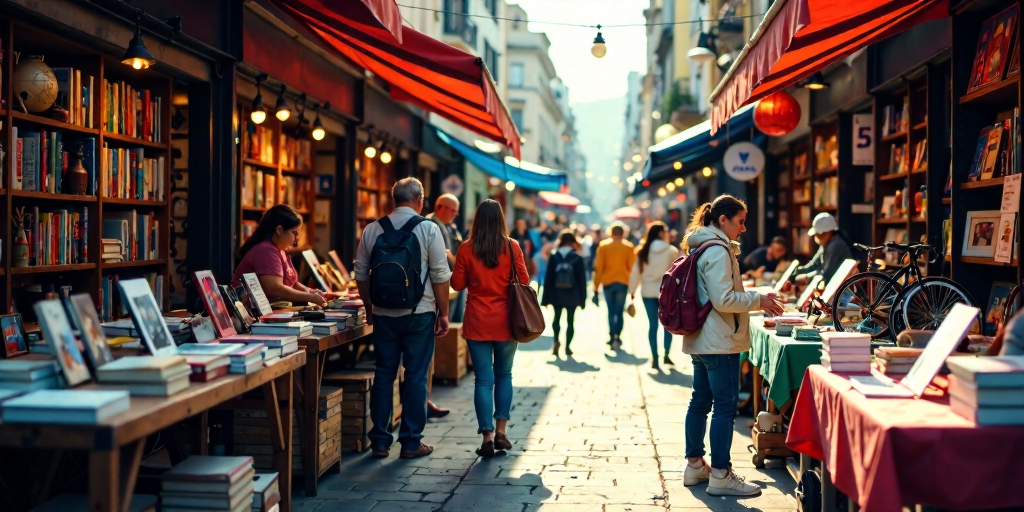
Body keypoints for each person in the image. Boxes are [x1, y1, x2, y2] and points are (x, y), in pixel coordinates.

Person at [681, 195, 783, 496]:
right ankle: (721, 473)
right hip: (719, 340)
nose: (743, 228)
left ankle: (695, 465)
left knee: (700, 401)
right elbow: (723, 300)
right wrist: (759, 300)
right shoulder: (718, 250)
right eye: (740, 221)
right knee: (724, 406)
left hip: (703, 337)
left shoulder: (702, 245)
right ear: (722, 220)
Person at [354, 178, 451, 460]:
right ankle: (410, 442)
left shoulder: (372, 229)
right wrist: (443, 313)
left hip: (384, 315)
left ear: (393, 199)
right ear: (420, 198)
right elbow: (440, 275)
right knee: (416, 377)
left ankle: (380, 442)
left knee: (384, 374)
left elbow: (361, 274)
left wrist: (370, 306)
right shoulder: (428, 229)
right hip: (420, 313)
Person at [450, 199, 529, 458]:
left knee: (483, 379)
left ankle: (486, 436)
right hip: (507, 321)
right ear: (501, 219)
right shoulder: (512, 245)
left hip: (477, 321)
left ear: (477, 220)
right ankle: (502, 431)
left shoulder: (466, 248)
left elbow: (458, 284)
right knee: (504, 374)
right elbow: (524, 281)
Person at [231, 205, 335, 306]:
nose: (297, 238)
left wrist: (311, 292)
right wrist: (309, 297)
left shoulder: (280, 250)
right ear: (279, 230)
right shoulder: (266, 250)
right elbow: (275, 288)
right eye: (294, 233)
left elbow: (292, 284)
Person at [424, 194, 463, 420]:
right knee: (423, 354)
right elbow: (442, 262)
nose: (455, 215)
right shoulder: (431, 225)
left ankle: (424, 399)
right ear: (440, 207)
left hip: (433, 295)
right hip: (429, 296)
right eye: (452, 210)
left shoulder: (445, 226)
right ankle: (422, 401)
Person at [628, 221, 680, 370]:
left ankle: (655, 358)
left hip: (647, 292)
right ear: (660, 233)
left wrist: (632, 292)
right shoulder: (671, 251)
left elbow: (635, 272)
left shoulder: (643, 250)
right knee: (667, 325)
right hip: (666, 293)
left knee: (652, 325)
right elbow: (677, 273)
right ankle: (666, 354)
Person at [542, 230, 587, 357]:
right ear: (573, 242)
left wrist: (545, 299)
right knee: (570, 321)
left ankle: (556, 342)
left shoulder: (554, 256)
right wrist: (583, 300)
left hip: (556, 293)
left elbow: (548, 278)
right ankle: (568, 346)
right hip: (572, 294)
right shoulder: (577, 258)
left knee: (556, 318)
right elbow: (582, 281)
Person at [593, 222, 636, 348]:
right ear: (623, 233)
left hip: (607, 282)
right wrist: (632, 289)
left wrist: (595, 287)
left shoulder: (603, 246)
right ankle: (618, 335)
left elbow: (599, 267)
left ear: (611, 233)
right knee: (619, 311)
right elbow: (632, 268)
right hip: (622, 282)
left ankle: (612, 335)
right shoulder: (628, 246)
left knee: (611, 311)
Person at [793, 213, 854, 285]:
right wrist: (796, 271)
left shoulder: (836, 245)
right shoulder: (825, 243)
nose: (816, 237)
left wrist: (807, 277)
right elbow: (814, 264)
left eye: (819, 235)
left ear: (828, 233)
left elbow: (826, 274)